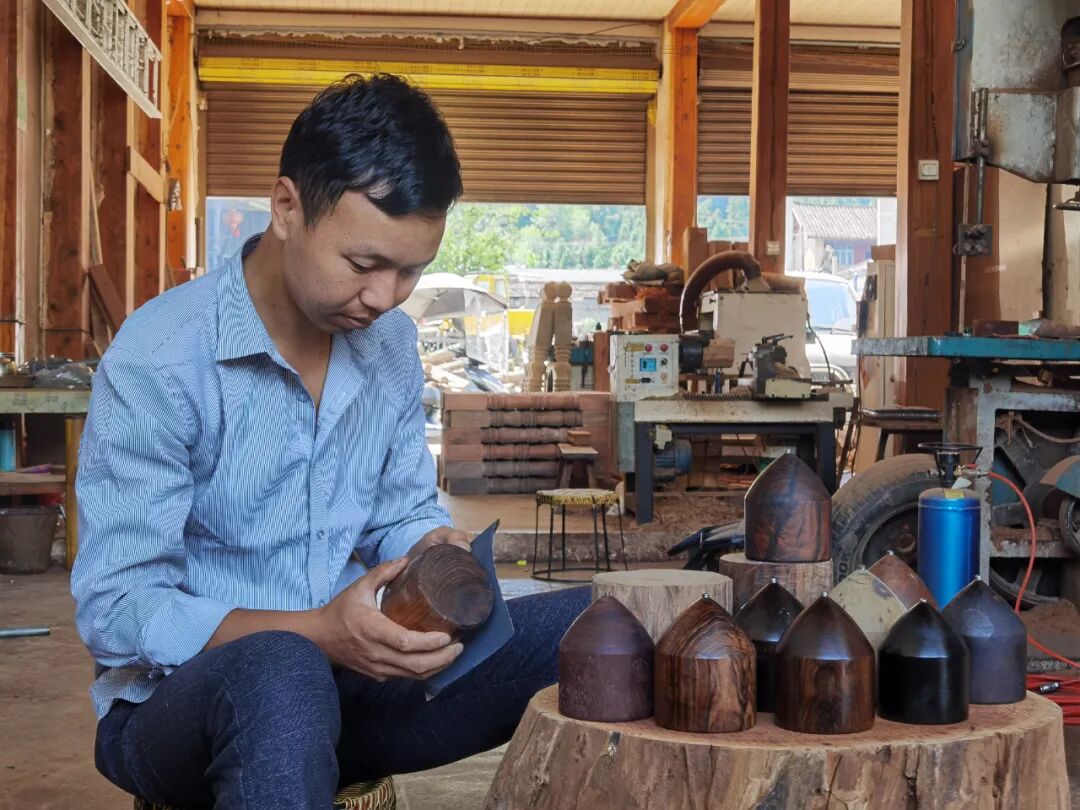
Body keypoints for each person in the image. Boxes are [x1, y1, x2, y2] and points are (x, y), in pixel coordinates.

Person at [71, 74, 588, 808]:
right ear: (287, 208)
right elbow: (118, 608)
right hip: (183, 706)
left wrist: (430, 547)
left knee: (598, 619)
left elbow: (397, 513)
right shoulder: (162, 357)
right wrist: (317, 632)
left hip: (352, 684)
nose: (385, 297)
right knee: (282, 671)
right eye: (364, 264)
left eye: (411, 270)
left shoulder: (390, 344)